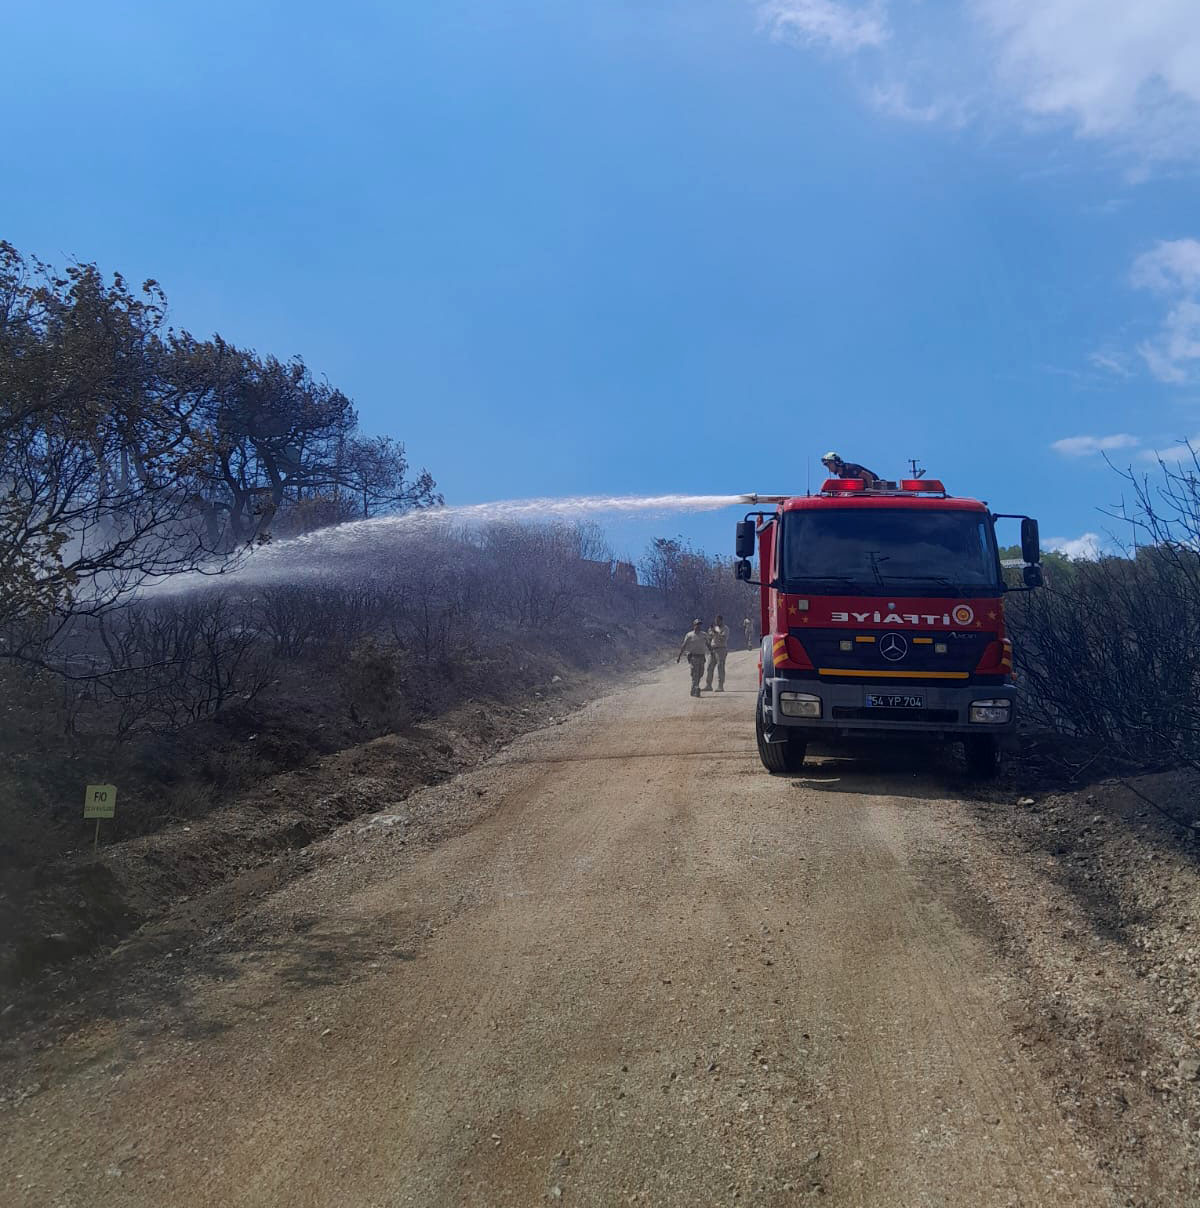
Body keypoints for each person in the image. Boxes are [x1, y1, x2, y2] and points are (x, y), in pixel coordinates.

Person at [677, 618, 710, 698]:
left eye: (700, 625)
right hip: (693, 657)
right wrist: (679, 656)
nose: (698, 626)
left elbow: (708, 644)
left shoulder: (704, 635)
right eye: (697, 625)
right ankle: (696, 688)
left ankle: (694, 689)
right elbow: (684, 646)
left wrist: (712, 651)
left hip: (702, 657)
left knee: (701, 673)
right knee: (695, 674)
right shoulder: (689, 635)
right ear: (694, 625)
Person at [705, 614, 730, 692]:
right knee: (709, 667)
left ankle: (720, 686)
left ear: (721, 620)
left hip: (721, 649)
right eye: (716, 620)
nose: (717, 622)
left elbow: (723, 638)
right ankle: (708, 685)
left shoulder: (725, 628)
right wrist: (708, 644)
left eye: (718, 620)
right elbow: (709, 638)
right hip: (713, 649)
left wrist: (716, 633)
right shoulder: (714, 628)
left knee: (720, 667)